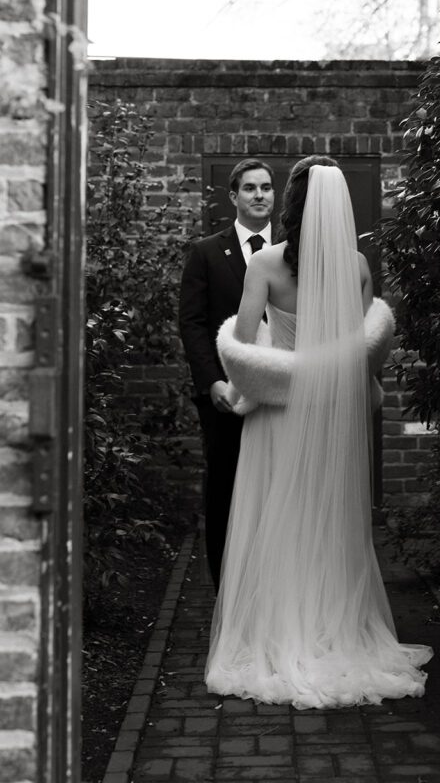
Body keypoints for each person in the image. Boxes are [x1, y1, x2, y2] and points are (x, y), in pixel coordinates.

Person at [204, 155, 432, 708]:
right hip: (332, 414)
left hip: (279, 415)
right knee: (328, 519)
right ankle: (333, 631)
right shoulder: (355, 265)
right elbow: (362, 352)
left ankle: (279, 633)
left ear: (293, 204)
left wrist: (257, 374)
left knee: (276, 521)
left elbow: (238, 344)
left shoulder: (268, 266)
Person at [178, 158, 275, 593]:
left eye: (267, 187)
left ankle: (276, 585)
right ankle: (226, 588)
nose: (260, 195)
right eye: (251, 188)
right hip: (226, 395)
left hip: (280, 394)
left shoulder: (293, 250)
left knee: (278, 489)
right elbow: (192, 323)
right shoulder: (206, 253)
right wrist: (212, 381)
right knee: (225, 489)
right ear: (233, 197)